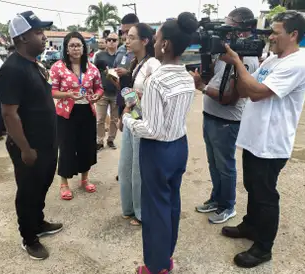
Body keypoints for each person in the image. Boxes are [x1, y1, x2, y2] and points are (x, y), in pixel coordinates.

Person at [219, 11, 305, 268]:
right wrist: (239, 70)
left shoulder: (298, 64)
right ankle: (251, 225)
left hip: (271, 144)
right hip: (254, 139)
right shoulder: (272, 60)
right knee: (252, 186)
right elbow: (244, 89)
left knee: (265, 195)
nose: (270, 37)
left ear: (293, 35)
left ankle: (263, 248)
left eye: (276, 32)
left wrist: (237, 62)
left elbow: (256, 92)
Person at [123, 12, 198, 273]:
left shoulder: (156, 79)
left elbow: (151, 128)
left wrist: (128, 121)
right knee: (171, 203)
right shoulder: (187, 76)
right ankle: (166, 257)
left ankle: (155, 267)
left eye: (156, 39)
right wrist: (136, 106)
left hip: (158, 150)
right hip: (179, 145)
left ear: (164, 44)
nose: (154, 43)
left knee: (155, 209)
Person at [0, 11, 63, 260]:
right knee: (28, 190)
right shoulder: (12, 69)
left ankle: (38, 222)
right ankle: (29, 237)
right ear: (22, 37)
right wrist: (25, 149)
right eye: (38, 32)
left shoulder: (34, 63)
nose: (44, 37)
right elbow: (9, 114)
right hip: (29, 146)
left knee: (42, 184)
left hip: (45, 143)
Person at [192, 8, 260, 224]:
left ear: (241, 27)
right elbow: (213, 75)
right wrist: (207, 59)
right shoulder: (225, 48)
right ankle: (216, 198)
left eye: (228, 24)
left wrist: (202, 87)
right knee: (214, 163)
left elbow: (230, 97)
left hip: (226, 121)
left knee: (225, 165)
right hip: (210, 114)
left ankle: (228, 205)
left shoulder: (246, 57)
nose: (223, 28)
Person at [115, 23, 161, 227]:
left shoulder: (153, 65)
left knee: (138, 169)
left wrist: (134, 100)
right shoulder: (136, 63)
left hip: (143, 122)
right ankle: (129, 207)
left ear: (144, 41)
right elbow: (133, 96)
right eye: (126, 36)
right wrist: (125, 108)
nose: (127, 40)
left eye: (132, 37)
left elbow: (153, 99)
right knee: (125, 166)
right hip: (132, 117)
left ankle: (141, 212)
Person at [50, 32, 103, 200]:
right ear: (66, 49)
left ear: (83, 48)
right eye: (72, 45)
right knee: (66, 147)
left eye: (78, 45)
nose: (75, 48)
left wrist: (97, 96)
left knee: (86, 146)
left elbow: (99, 88)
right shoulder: (58, 67)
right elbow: (52, 91)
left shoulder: (92, 67)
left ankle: (85, 179)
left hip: (87, 111)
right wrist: (68, 95)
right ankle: (64, 183)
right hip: (67, 114)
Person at [113, 13, 139, 182]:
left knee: (137, 133)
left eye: (129, 33)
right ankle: (126, 168)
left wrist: (128, 74)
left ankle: (133, 170)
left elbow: (138, 82)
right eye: (123, 33)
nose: (125, 38)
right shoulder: (122, 51)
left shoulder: (147, 57)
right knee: (126, 134)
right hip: (124, 98)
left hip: (136, 103)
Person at [94, 32, 119, 150]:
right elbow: (94, 72)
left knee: (114, 119)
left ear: (118, 42)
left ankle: (111, 140)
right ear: (106, 41)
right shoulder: (99, 56)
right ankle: (99, 141)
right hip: (102, 92)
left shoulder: (121, 56)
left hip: (116, 93)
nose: (111, 42)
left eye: (114, 40)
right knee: (100, 119)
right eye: (109, 40)